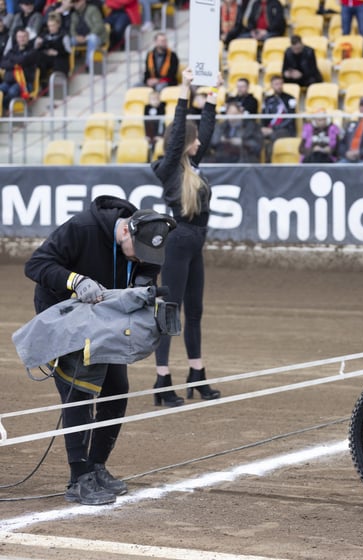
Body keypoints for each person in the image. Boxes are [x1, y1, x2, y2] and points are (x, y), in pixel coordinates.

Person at [24, 196, 176, 505]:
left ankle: (96, 467)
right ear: (125, 233)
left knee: (117, 389)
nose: (142, 259)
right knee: (79, 392)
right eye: (139, 253)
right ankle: (78, 479)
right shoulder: (83, 228)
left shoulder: (144, 245)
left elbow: (145, 277)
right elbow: (36, 264)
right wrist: (75, 281)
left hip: (106, 322)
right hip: (64, 318)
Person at [152, 67, 223, 406]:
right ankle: (162, 378)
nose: (199, 144)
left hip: (195, 242)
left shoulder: (193, 165)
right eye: (193, 142)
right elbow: (183, 132)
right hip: (179, 241)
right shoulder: (168, 169)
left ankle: (197, 372)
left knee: (194, 310)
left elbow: (203, 132)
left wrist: (212, 96)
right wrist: (184, 89)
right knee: (171, 309)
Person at [261, 73, 298, 159]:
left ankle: (271, 163)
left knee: (273, 137)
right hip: (269, 128)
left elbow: (291, 118)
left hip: (286, 129)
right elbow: (263, 116)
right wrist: (263, 127)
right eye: (276, 84)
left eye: (280, 84)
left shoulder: (290, 98)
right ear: (272, 86)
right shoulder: (267, 100)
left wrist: (273, 129)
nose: (279, 86)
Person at [0, 27, 38, 110]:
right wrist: (15, 64)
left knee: (12, 92)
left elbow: (23, 60)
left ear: (28, 38)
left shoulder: (33, 51)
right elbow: (2, 63)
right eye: (19, 37)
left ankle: (4, 109)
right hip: (8, 82)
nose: (22, 39)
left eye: (24, 36)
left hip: (24, 84)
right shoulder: (12, 50)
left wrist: (11, 58)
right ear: (16, 38)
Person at [69, 0, 107, 71]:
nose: (75, 4)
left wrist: (87, 36)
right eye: (73, 2)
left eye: (77, 1)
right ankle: (68, 67)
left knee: (92, 38)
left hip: (95, 36)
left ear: (83, 1)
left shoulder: (92, 10)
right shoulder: (74, 14)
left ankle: (89, 65)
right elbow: (72, 29)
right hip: (80, 38)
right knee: (67, 40)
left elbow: (99, 26)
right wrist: (76, 37)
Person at [338, 94, 363, 162]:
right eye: (362, 106)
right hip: (347, 157)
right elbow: (342, 143)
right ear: (359, 108)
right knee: (337, 167)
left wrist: (360, 152)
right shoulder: (351, 124)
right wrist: (346, 153)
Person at [34, 12, 71, 77]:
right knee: (37, 58)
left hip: (59, 57)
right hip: (46, 57)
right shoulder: (44, 35)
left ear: (58, 24)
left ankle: (59, 81)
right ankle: (42, 80)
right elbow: (37, 49)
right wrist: (37, 44)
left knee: (59, 62)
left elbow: (68, 52)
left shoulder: (64, 36)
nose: (51, 28)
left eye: (53, 25)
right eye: (49, 26)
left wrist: (57, 53)